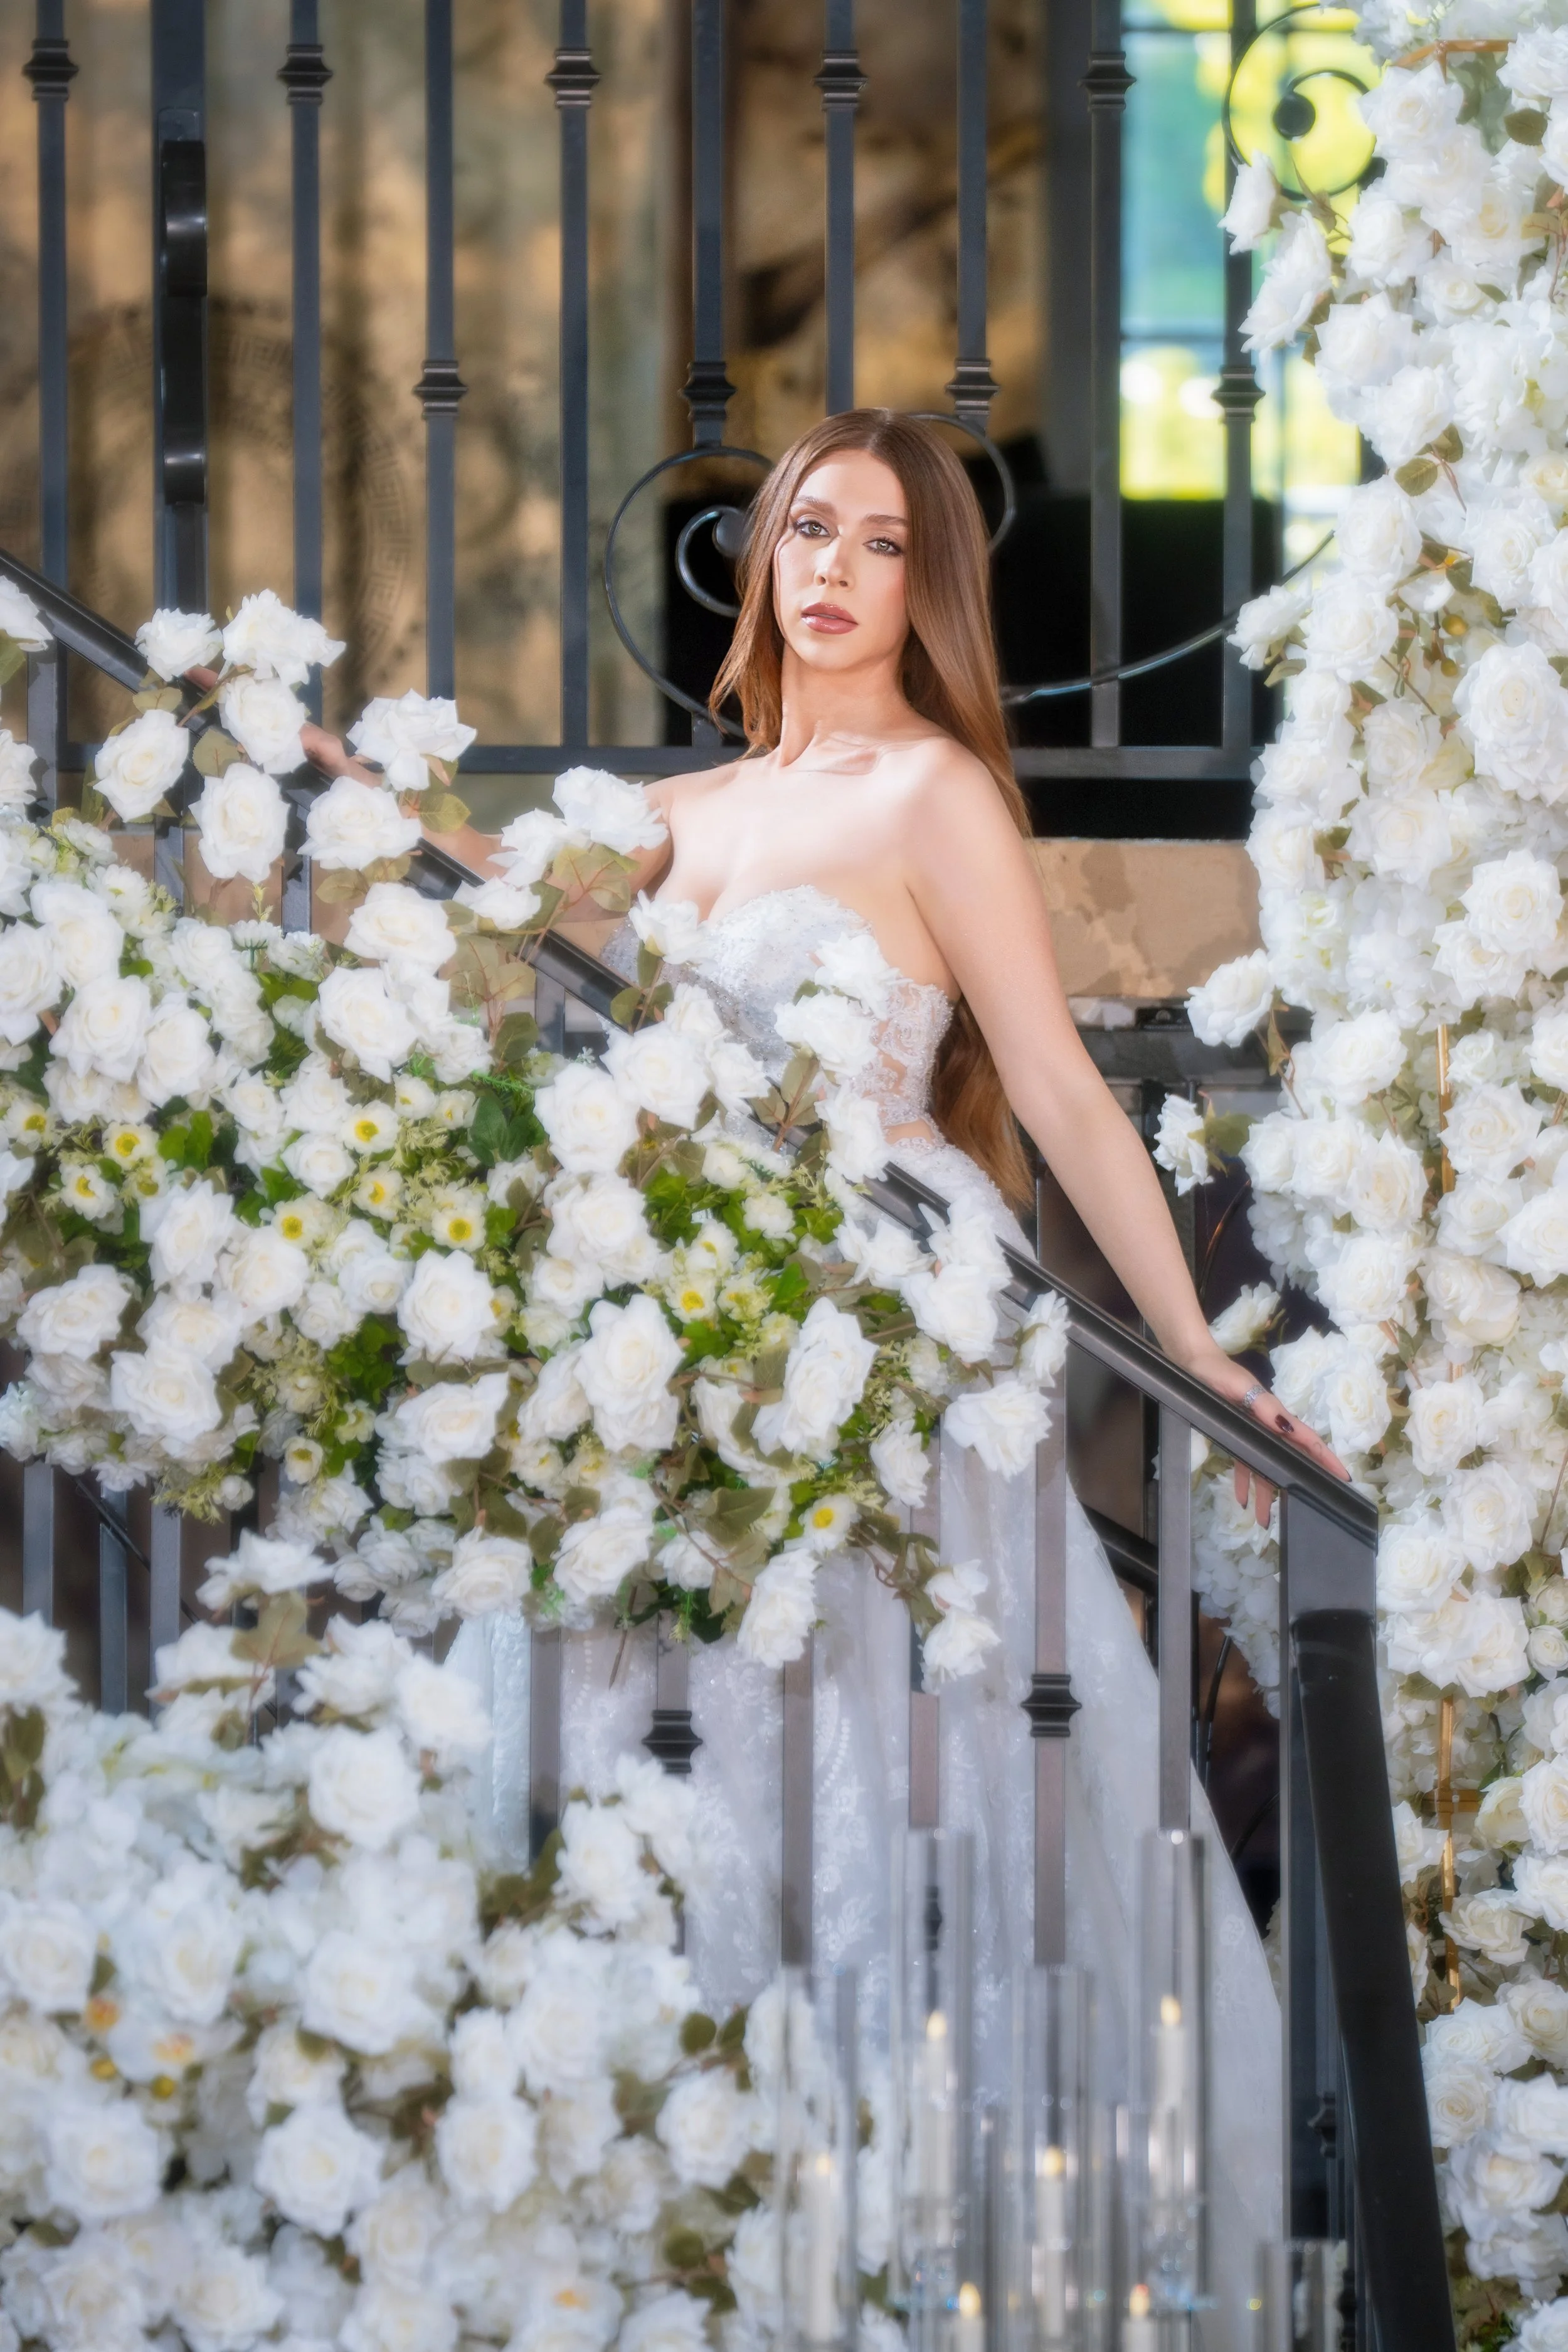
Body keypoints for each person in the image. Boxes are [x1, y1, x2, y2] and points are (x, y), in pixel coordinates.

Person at [301, 410, 1341, 2321]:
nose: (831, 567)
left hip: (882, 1309)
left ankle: (905, 2235)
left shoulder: (931, 793)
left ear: (922, 582)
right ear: (759, 561)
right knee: (669, 1732)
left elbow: (1048, 1085)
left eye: (875, 540)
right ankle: (660, 2214)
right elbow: (482, 881)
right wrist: (314, 759)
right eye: (802, 528)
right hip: (681, 1326)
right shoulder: (675, 810)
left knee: (900, 1751)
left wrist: (1198, 1349)